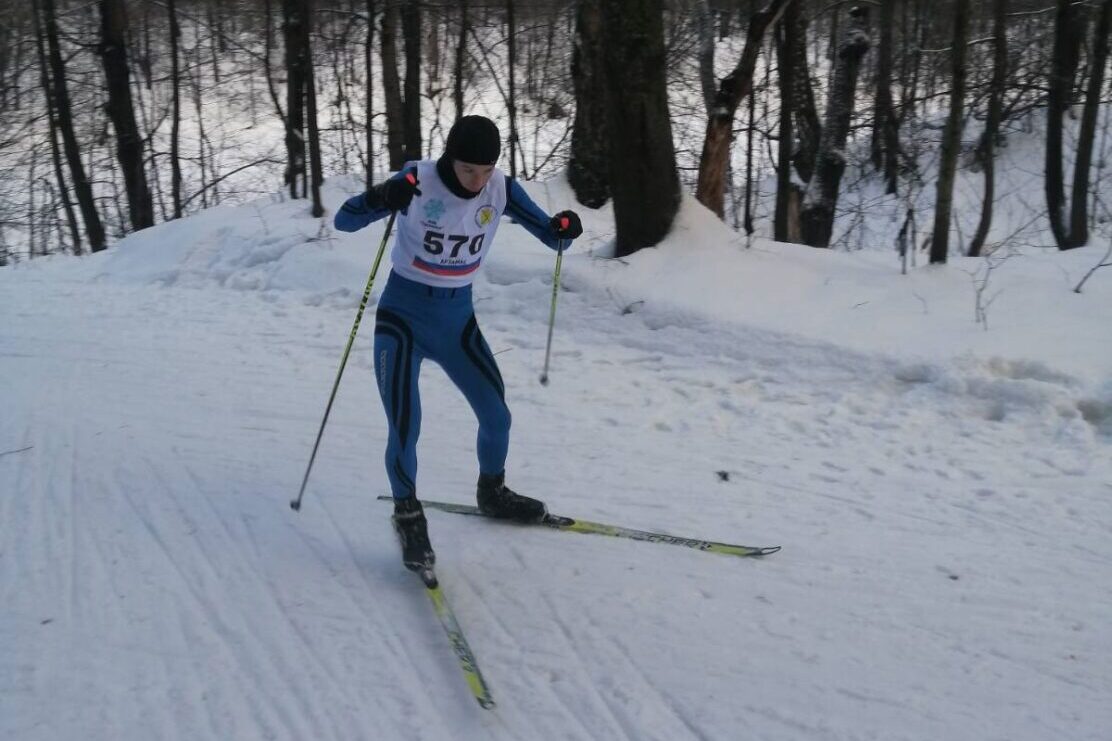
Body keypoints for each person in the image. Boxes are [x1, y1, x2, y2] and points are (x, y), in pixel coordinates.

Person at [334, 115, 583, 572]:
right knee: (406, 427)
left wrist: (566, 226)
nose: (478, 180)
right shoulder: (416, 179)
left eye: (487, 170)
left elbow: (553, 237)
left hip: (456, 320)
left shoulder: (500, 189)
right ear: (450, 158)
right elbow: (344, 221)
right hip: (403, 318)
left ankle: (493, 492)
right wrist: (380, 197)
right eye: (470, 170)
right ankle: (407, 512)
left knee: (497, 416)